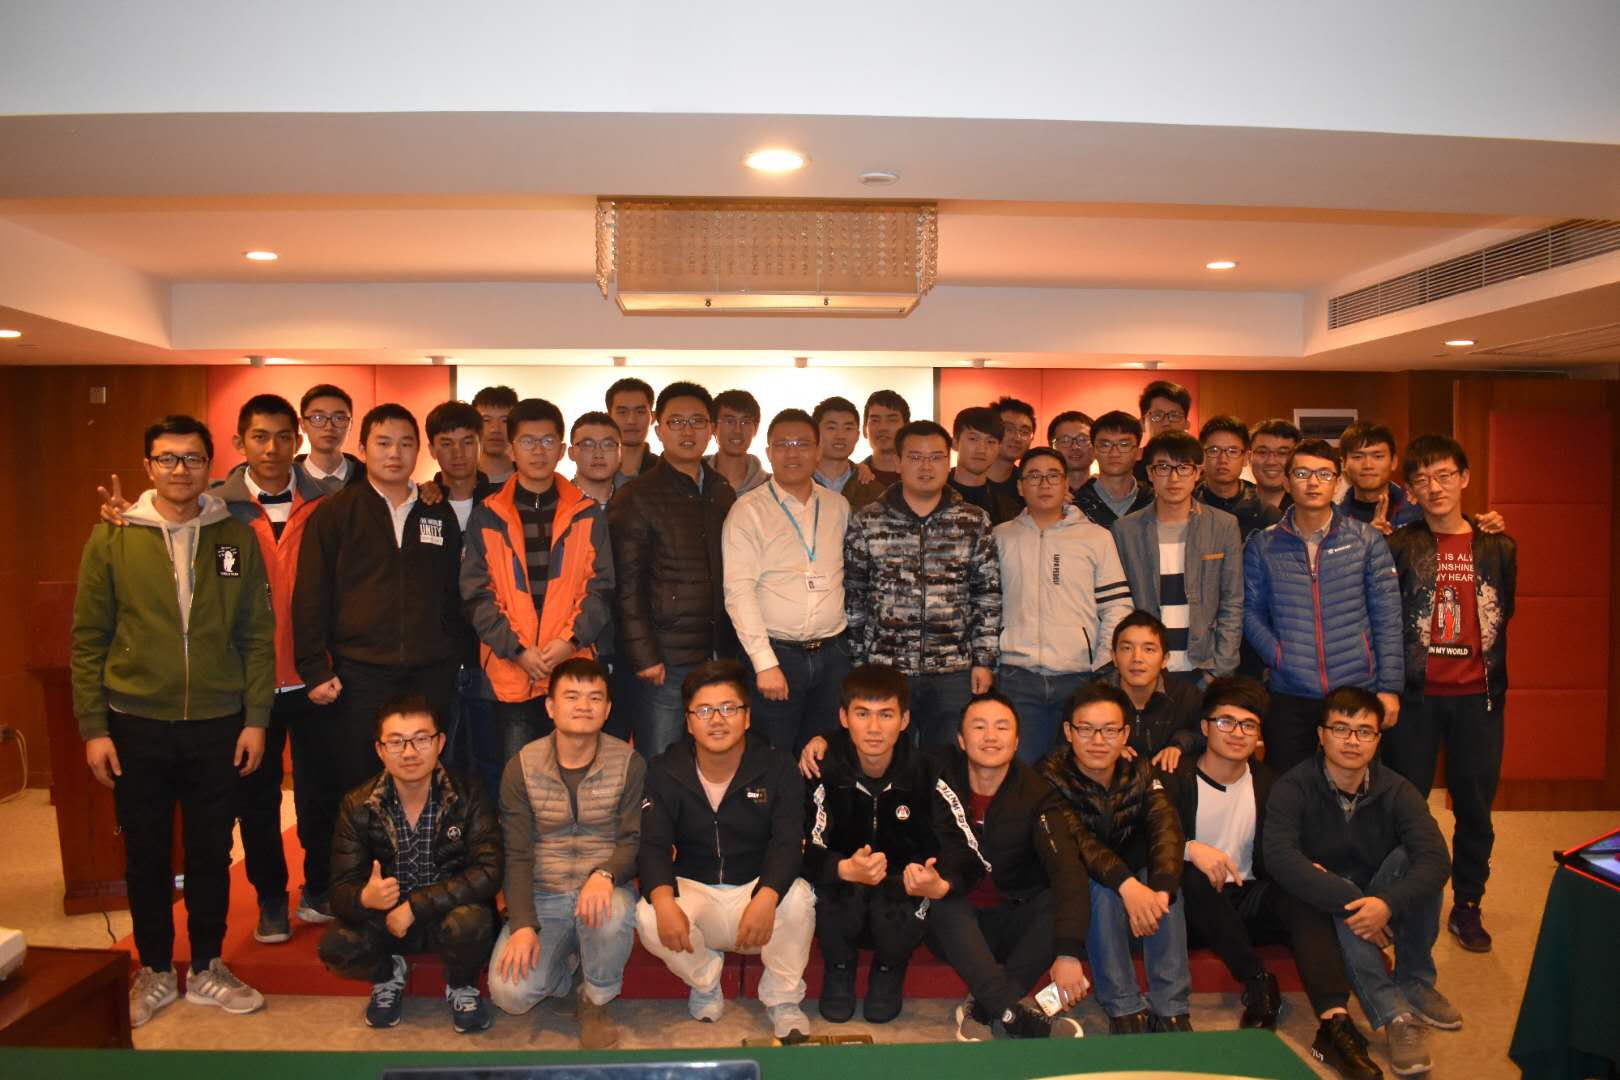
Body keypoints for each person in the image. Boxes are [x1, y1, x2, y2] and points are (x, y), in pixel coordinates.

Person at [72, 415, 275, 1026]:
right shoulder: (112, 538)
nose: (180, 469)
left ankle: (209, 964)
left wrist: (256, 718)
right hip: (135, 720)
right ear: (148, 466)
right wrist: (94, 728)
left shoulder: (234, 537)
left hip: (218, 720)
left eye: (192, 458)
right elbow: (88, 638)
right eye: (167, 458)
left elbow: (257, 635)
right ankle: (156, 968)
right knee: (147, 852)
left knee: (213, 849)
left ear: (210, 465)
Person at [1161, 678, 1380, 1078]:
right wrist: (1191, 848)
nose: (1237, 733)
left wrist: (1309, 869)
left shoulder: (1272, 784)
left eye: (1249, 725)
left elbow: (1284, 851)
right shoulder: (1176, 776)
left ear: (1259, 734)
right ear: (1205, 727)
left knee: (1301, 894)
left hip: (1247, 898)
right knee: (1192, 877)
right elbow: (1149, 840)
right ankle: (1258, 980)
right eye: (1226, 722)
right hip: (1191, 912)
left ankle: (1334, 1022)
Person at [1264, 688, 1458, 1077]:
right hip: (1328, 902)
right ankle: (1395, 1015)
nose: (1352, 741)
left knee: (1415, 860)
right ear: (1321, 735)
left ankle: (1415, 980)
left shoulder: (1397, 788)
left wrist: (1385, 904)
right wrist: (1353, 900)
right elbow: (1279, 857)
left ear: (1377, 739)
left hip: (1382, 891)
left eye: (1364, 731)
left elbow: (1437, 859)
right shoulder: (1292, 786)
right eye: (1341, 729)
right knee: (1329, 887)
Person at [294, 403, 465, 813]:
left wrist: (452, 656)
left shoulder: (437, 511)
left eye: (405, 444)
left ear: (418, 450)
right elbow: (311, 594)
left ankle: (423, 854)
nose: (394, 453)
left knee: (427, 779)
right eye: (383, 443)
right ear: (362, 448)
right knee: (361, 781)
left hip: (430, 672)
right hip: (360, 675)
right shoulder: (335, 513)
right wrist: (314, 667)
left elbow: (453, 593)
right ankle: (364, 857)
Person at [1384, 435, 1516, 954]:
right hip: (1415, 698)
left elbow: (1503, 613)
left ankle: (1467, 904)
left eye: (1444, 475)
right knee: (1404, 805)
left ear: (1464, 478)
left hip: (1478, 699)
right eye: (1421, 479)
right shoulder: (1399, 545)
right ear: (1411, 490)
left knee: (1475, 807)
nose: (1434, 487)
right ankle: (1402, 901)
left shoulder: (1498, 546)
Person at [636, 661, 816, 1042]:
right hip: (696, 888)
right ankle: (705, 981)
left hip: (754, 890)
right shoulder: (665, 770)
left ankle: (783, 999)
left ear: (747, 717)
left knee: (798, 898)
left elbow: (788, 842)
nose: (717, 720)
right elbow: (652, 845)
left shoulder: (777, 766)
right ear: (688, 722)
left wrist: (767, 895)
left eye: (728, 708)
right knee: (649, 913)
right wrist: (664, 902)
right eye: (704, 710)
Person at [209, 395, 329, 939]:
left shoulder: (327, 504)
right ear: (240, 442)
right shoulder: (215, 509)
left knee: (321, 794)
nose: (273, 448)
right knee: (255, 800)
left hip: (315, 677)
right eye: (260, 436)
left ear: (297, 441)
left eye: (284, 436)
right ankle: (271, 898)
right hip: (247, 682)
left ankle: (321, 887)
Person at [319, 696, 502, 1033]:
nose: (409, 752)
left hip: (447, 914)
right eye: (396, 742)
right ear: (379, 749)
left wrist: (416, 906)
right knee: (336, 946)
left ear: (440, 742)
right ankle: (388, 975)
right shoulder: (357, 804)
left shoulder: (469, 793)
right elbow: (340, 889)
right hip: (387, 921)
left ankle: (461, 985)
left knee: (472, 922)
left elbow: (489, 871)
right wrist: (364, 898)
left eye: (421, 739)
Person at [487, 659, 644, 1049]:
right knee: (510, 994)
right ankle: (566, 976)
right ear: (550, 706)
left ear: (608, 710)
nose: (584, 706)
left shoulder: (629, 762)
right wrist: (523, 923)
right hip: (545, 894)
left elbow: (634, 839)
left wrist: (606, 873)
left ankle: (596, 998)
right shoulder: (521, 766)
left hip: (604, 891)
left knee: (612, 913)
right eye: (571, 696)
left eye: (595, 698)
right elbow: (516, 853)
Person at [461, 397, 615, 773]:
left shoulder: (586, 512)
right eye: (528, 441)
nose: (538, 451)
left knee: (578, 775)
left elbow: (600, 588)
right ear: (511, 448)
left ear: (561, 450)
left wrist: (568, 643)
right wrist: (517, 651)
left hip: (572, 668)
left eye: (547, 441)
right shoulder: (487, 515)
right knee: (521, 780)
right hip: (513, 668)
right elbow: (476, 595)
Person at [924, 692, 1090, 1039]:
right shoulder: (935, 777)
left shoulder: (1037, 793)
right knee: (942, 897)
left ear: (1016, 742)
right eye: (979, 727)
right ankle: (1016, 1016)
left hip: (1012, 921)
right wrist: (822, 744)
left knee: (1055, 900)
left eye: (1002, 728)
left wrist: (1069, 953)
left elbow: (1067, 871)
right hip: (955, 925)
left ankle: (986, 1008)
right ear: (960, 739)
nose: (990, 736)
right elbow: (881, 753)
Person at [1243, 439, 1403, 775]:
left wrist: (1389, 688)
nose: (1313, 482)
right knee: (1288, 785)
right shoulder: (1263, 545)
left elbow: (1387, 617)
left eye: (1324, 474)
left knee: (1356, 785)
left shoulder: (1366, 541)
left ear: (1337, 482)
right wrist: (1280, 656)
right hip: (1289, 690)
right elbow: (1250, 612)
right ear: (1287, 481)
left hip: (1356, 688)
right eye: (1302, 473)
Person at [1039, 682, 1191, 1035]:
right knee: (1101, 888)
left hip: (1129, 885)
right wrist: (1127, 885)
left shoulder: (1140, 770)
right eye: (1086, 729)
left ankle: (1171, 1009)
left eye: (1109, 730)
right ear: (1068, 732)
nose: (1098, 740)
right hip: (1071, 887)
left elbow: (1166, 827)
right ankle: (1124, 1007)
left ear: (1125, 734)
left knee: (1165, 882)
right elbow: (1079, 843)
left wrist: (1160, 892)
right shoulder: (1048, 776)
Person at [844, 419, 1000, 746]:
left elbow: (986, 595)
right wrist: (859, 662)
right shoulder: (869, 519)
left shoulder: (972, 520)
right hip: (885, 667)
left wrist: (984, 661)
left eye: (936, 457)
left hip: (953, 670)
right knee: (888, 758)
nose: (926, 466)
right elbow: (854, 596)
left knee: (946, 761)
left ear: (948, 461)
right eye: (915, 457)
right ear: (898, 462)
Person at [800, 664, 938, 1023]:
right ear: (844, 718)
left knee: (906, 888)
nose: (874, 728)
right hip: (843, 896)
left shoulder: (926, 771)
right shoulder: (821, 769)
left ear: (904, 720)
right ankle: (839, 969)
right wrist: (842, 868)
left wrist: (932, 877)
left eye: (886, 715)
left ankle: (889, 969)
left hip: (898, 897)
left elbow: (951, 845)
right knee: (829, 884)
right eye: (862, 714)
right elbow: (801, 846)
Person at [609, 381, 738, 754]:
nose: (687, 430)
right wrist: (645, 656)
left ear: (711, 430)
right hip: (664, 660)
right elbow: (626, 586)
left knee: (713, 755)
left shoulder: (721, 490)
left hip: (716, 654)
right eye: (676, 421)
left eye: (697, 421)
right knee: (661, 757)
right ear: (659, 429)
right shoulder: (636, 496)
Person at [722, 409, 852, 753]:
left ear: (818, 450)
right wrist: (764, 663)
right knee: (772, 756)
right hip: (778, 655)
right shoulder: (748, 510)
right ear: (768, 452)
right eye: (782, 444)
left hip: (832, 654)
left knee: (824, 754)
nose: (792, 453)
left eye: (802, 444)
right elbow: (738, 592)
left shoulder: (838, 506)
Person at [995, 447, 1131, 763]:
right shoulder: (1000, 537)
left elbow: (1116, 606)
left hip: (1078, 676)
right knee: (1023, 769)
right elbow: (986, 605)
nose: (1044, 484)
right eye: (1034, 476)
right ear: (1020, 486)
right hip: (1017, 676)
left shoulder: (1096, 537)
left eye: (1053, 476)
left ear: (1066, 483)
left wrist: (1101, 662)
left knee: (1074, 769)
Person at [1112, 430, 1243, 685]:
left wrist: (1220, 668)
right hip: (1144, 670)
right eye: (1163, 467)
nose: (1173, 478)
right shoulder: (1125, 530)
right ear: (1150, 473)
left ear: (1197, 472)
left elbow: (1232, 602)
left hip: (1203, 667)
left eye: (1183, 468)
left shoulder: (1223, 525)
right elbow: (1118, 605)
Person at [425, 400, 501, 788]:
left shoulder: (501, 502)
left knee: (492, 760)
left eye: (467, 442)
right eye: (446, 443)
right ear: (431, 449)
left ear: (480, 443)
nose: (458, 453)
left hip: (491, 653)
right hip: (436, 656)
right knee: (442, 760)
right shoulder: (420, 505)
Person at [1104, 612, 1204, 770]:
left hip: (1172, 782)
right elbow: (1070, 745)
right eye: (1127, 648)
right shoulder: (1093, 698)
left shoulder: (1187, 696)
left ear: (1165, 659)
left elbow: (1208, 734)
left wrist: (1179, 746)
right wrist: (1105, 748)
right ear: (1114, 657)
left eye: (1149, 649)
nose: (1137, 658)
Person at [1196, 414, 1281, 542]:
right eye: (1214, 450)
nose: (1223, 459)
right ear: (1202, 456)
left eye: (1232, 451)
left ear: (1246, 458)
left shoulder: (1268, 515)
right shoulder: (1187, 507)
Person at [1336, 422, 1423, 535]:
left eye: (1378, 456)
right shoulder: (1333, 518)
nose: (1368, 465)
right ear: (1343, 464)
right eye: (1358, 457)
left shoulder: (1417, 508)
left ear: (1394, 462)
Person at [1072, 410, 1153, 527]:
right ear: (1093, 452)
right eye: (1105, 445)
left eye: (1124, 445)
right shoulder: (1075, 505)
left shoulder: (1155, 501)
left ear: (1139, 453)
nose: (1114, 453)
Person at [811, 395, 888, 511]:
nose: (840, 436)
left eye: (848, 428)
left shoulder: (874, 491)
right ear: (815, 434)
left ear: (857, 436)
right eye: (831, 428)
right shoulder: (798, 482)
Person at [948, 406, 1022, 525]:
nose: (982, 450)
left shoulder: (1007, 509)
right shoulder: (933, 495)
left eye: (990, 442)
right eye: (973, 439)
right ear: (955, 442)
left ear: (999, 447)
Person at [297, 383, 366, 493]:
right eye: (318, 418)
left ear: (350, 425)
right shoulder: (285, 479)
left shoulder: (371, 479)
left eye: (339, 418)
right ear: (302, 425)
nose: (329, 427)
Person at [706, 388, 770, 494]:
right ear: (713, 427)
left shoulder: (773, 488)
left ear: (756, 428)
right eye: (729, 421)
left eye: (745, 422)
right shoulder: (693, 483)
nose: (737, 430)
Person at [606, 376, 659, 487]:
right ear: (609, 418)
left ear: (653, 417)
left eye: (640, 412)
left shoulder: (666, 472)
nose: (631, 420)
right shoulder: (593, 468)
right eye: (622, 412)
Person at [985, 396, 1036, 509]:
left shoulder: (1027, 484)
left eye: (1024, 432)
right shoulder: (966, 479)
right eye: (1008, 429)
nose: (1017, 438)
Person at [1136, 380, 1193, 482]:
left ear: (1187, 424)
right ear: (1142, 424)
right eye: (1157, 416)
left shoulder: (1197, 466)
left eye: (1174, 415)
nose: (1166, 422)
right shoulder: (1130, 467)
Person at [568, 410, 622, 506]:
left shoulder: (633, 505)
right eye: (588, 445)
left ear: (621, 453)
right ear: (571, 453)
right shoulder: (551, 507)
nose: (598, 454)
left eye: (608, 445)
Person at [860, 389, 910, 488]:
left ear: (907, 427)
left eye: (892, 420)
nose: (883, 428)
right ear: (864, 429)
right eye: (875, 420)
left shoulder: (923, 477)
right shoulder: (852, 477)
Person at [1248, 419, 1300, 512]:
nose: (1271, 462)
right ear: (1249, 457)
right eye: (1262, 452)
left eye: (1282, 453)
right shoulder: (1234, 507)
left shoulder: (1308, 509)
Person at [472, 384, 519, 484]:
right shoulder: (458, 481)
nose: (495, 429)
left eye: (504, 420)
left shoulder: (530, 481)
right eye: (486, 420)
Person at [1047, 410, 1095, 496]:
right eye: (1065, 440)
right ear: (1052, 447)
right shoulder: (1042, 493)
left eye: (1082, 439)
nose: (1074, 447)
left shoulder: (1109, 491)